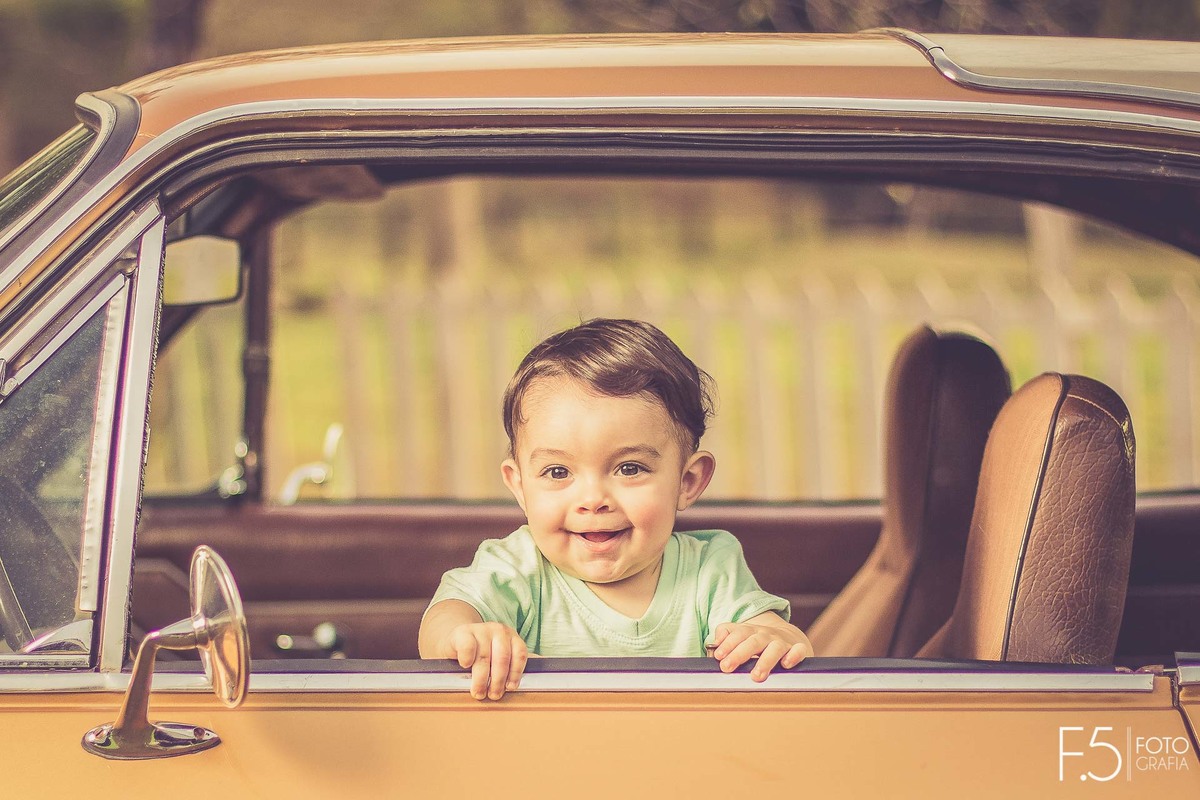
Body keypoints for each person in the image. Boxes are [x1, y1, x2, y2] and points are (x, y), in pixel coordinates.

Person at [418, 318, 812, 700]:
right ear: (520, 485)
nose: (593, 500)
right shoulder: (517, 568)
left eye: (629, 468)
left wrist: (774, 638)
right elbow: (444, 620)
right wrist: (465, 637)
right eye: (558, 471)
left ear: (687, 482)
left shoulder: (710, 569)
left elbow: (775, 635)